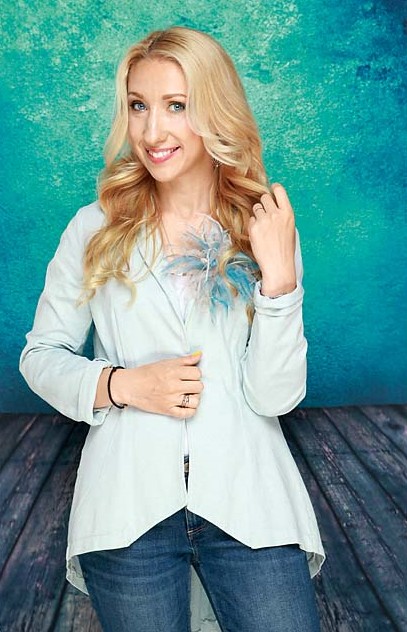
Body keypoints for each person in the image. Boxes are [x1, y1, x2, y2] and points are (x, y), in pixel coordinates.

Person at [20, 26, 325, 632]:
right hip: (127, 511)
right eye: (139, 106)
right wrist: (123, 385)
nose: (152, 131)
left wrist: (280, 282)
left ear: (216, 111)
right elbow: (41, 356)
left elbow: (275, 396)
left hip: (250, 504)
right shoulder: (93, 227)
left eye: (177, 106)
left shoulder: (263, 229)